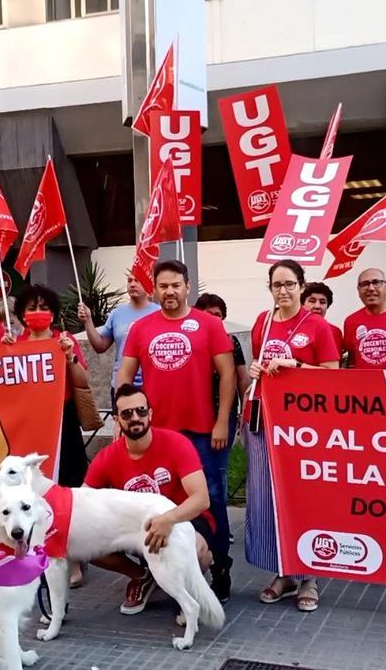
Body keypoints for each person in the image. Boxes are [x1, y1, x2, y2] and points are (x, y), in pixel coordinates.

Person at [118, 260, 235, 602]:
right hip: (155, 435)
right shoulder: (141, 328)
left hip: (201, 431)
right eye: (163, 286)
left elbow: (227, 374)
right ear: (155, 289)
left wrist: (222, 420)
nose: (170, 291)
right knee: (156, 501)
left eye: (176, 285)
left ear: (187, 287)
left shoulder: (209, 325)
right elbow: (124, 377)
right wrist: (123, 416)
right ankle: (159, 569)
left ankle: (220, 569)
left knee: (211, 500)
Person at [245, 259, 341, 612]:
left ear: (302, 286)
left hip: (304, 428)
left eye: (289, 284)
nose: (282, 291)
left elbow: (333, 375)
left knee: (303, 497)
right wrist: (256, 369)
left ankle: (309, 576)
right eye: (276, 285)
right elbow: (259, 364)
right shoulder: (262, 322)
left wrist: (297, 367)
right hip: (262, 418)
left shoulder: (317, 326)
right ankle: (282, 571)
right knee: (267, 499)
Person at [83, 383, 213, 614]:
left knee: (198, 551)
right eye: (126, 413)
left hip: (183, 519)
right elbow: (82, 500)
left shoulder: (176, 443)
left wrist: (169, 519)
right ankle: (141, 576)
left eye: (141, 411)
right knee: (85, 542)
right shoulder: (107, 457)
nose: (135, 417)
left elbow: (201, 499)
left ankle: (185, 590)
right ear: (116, 420)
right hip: (134, 528)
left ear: (150, 413)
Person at [9, 283, 91, 586]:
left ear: (54, 314)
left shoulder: (64, 341)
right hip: (27, 425)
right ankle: (34, 553)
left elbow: (82, 381)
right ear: (21, 314)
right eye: (32, 308)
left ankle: (73, 561)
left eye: (44, 308)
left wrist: (69, 358)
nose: (38, 313)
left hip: (63, 422)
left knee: (66, 489)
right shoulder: (13, 343)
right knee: (31, 492)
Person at [193, 293, 250, 538]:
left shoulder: (230, 342)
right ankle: (196, 523)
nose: (213, 319)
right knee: (193, 470)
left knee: (219, 471)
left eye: (217, 315)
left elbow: (241, 378)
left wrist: (243, 412)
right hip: (193, 417)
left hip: (222, 416)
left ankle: (220, 526)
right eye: (207, 315)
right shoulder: (191, 342)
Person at [79, 271, 161, 407]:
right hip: (121, 385)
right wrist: (88, 321)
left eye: (137, 281)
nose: (132, 284)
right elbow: (100, 346)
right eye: (130, 281)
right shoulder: (116, 314)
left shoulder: (159, 313)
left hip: (152, 385)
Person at [301, 282, 343, 352]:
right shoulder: (293, 328)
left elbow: (334, 362)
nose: (317, 306)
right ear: (302, 304)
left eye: (322, 302)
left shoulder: (334, 332)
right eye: (312, 301)